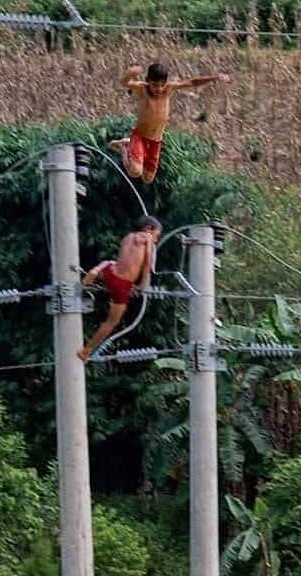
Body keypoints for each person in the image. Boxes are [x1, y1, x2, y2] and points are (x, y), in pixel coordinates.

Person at [109, 61, 231, 183]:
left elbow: (192, 82)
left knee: (148, 179)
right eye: (155, 85)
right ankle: (124, 147)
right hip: (140, 136)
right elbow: (125, 83)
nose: (159, 88)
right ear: (148, 81)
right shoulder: (142, 89)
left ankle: (129, 145)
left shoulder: (169, 89)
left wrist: (214, 78)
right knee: (135, 172)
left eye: (162, 85)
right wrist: (130, 73)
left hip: (156, 140)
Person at [77, 215, 162, 362]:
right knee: (112, 321)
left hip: (110, 273)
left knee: (109, 262)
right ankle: (86, 350)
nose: (155, 240)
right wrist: (142, 286)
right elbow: (147, 264)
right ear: (149, 229)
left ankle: (95, 272)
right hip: (122, 284)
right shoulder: (147, 239)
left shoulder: (128, 237)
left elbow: (124, 260)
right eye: (156, 236)